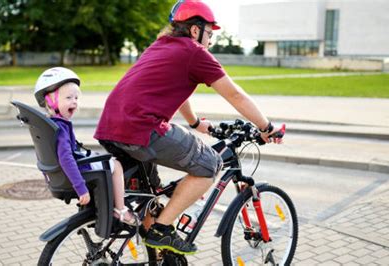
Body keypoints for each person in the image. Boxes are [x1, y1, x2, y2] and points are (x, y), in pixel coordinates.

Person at [94, 0, 283, 255]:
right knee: (210, 163)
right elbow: (235, 95)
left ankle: (156, 240)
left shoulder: (160, 46)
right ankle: (161, 230)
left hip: (110, 128)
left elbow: (178, 90)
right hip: (141, 129)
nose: (211, 40)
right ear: (196, 30)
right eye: (210, 33)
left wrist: (195, 123)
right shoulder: (194, 52)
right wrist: (266, 126)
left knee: (153, 197)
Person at [34, 67, 138, 226]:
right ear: (50, 101)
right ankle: (121, 209)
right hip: (80, 169)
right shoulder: (60, 129)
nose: (74, 101)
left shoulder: (51, 125)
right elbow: (66, 158)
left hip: (70, 169)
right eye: (68, 97)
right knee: (116, 165)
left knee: (103, 159)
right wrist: (80, 187)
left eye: (76, 97)